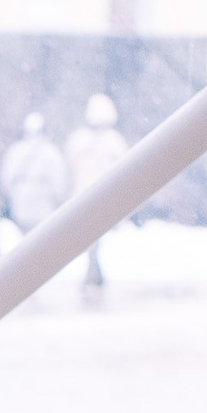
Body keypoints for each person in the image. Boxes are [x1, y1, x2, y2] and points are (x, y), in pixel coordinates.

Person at [64, 91, 127, 292]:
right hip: (103, 196)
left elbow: (70, 169)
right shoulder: (113, 142)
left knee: (93, 235)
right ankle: (94, 271)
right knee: (95, 235)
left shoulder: (78, 140)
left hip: (86, 195)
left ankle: (93, 270)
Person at [0, 110, 69, 239]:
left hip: (20, 203)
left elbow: (6, 180)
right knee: (41, 239)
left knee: (22, 241)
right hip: (43, 204)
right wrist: (59, 199)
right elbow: (59, 181)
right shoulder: (51, 152)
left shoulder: (15, 151)